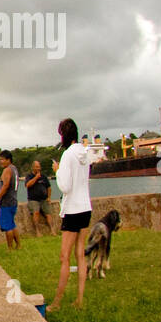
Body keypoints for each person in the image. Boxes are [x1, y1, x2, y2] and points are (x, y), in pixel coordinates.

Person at [50, 118, 92, 311]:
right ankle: (80, 300)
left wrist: (58, 171)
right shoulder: (85, 152)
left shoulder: (67, 155)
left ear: (63, 135)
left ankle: (57, 303)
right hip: (86, 208)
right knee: (80, 254)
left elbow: (65, 186)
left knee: (64, 257)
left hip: (73, 210)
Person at [0, 150, 21, 249]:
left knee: (7, 227)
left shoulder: (7, 170)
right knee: (12, 224)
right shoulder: (15, 169)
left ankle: (10, 248)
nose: (1, 161)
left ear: (8, 160)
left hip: (7, 202)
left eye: (2, 159)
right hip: (14, 201)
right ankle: (18, 245)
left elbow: (6, 185)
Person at [24, 159, 53, 235]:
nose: (38, 168)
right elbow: (27, 185)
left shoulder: (43, 177)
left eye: (39, 167)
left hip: (43, 199)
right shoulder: (29, 176)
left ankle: (52, 230)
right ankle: (38, 231)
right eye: (36, 167)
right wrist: (36, 178)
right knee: (36, 213)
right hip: (33, 199)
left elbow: (49, 188)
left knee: (48, 214)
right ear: (33, 167)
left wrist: (49, 197)